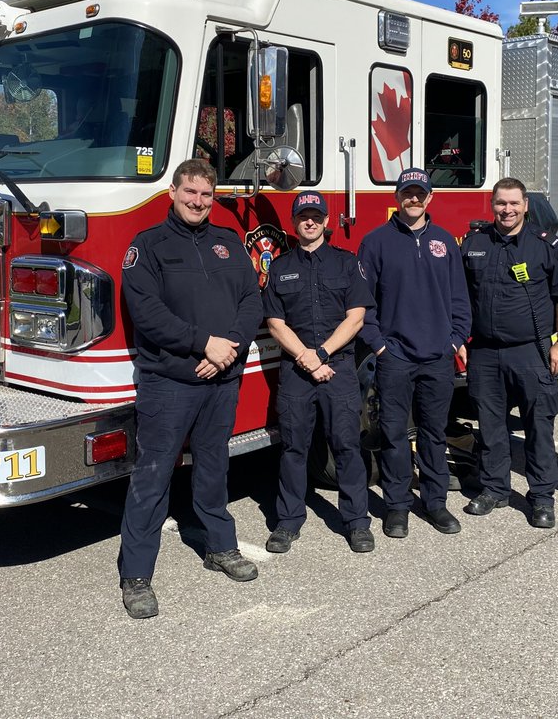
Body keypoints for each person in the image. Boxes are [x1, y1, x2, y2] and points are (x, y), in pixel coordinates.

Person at [117, 158, 264, 619]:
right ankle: (136, 574)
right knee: (153, 475)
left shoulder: (228, 243)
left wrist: (229, 349)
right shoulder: (148, 247)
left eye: (206, 195)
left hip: (222, 377)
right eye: (190, 193)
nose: (198, 202)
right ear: (173, 194)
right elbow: (148, 314)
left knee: (214, 464)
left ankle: (220, 546)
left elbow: (252, 299)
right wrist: (204, 344)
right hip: (169, 382)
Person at [460, 178, 558, 528]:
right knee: (490, 425)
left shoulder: (546, 246)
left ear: (526, 205)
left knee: (538, 425)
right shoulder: (474, 244)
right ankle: (494, 489)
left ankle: (542, 497)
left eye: (514, 203)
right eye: (501, 203)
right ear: (492, 205)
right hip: (484, 351)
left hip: (531, 351)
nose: (507, 210)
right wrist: (460, 340)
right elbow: (460, 295)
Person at [262, 190, 377, 555]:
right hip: (297, 371)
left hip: (339, 368)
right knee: (294, 448)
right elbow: (275, 323)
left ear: (327, 221)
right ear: (294, 223)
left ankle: (357, 522)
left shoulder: (347, 263)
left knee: (346, 445)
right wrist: (307, 358)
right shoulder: (279, 267)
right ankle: (288, 521)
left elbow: (356, 317)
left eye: (316, 215)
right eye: (302, 216)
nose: (309, 221)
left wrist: (323, 353)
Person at [358, 168, 471, 538]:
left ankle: (436, 503)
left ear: (430, 198)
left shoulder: (444, 242)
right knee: (393, 433)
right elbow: (364, 302)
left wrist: (456, 339)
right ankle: (397, 506)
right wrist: (378, 343)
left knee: (434, 433)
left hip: (438, 355)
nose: (413, 199)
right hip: (396, 357)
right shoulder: (375, 243)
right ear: (396, 198)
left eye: (419, 193)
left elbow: (459, 297)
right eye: (407, 193)